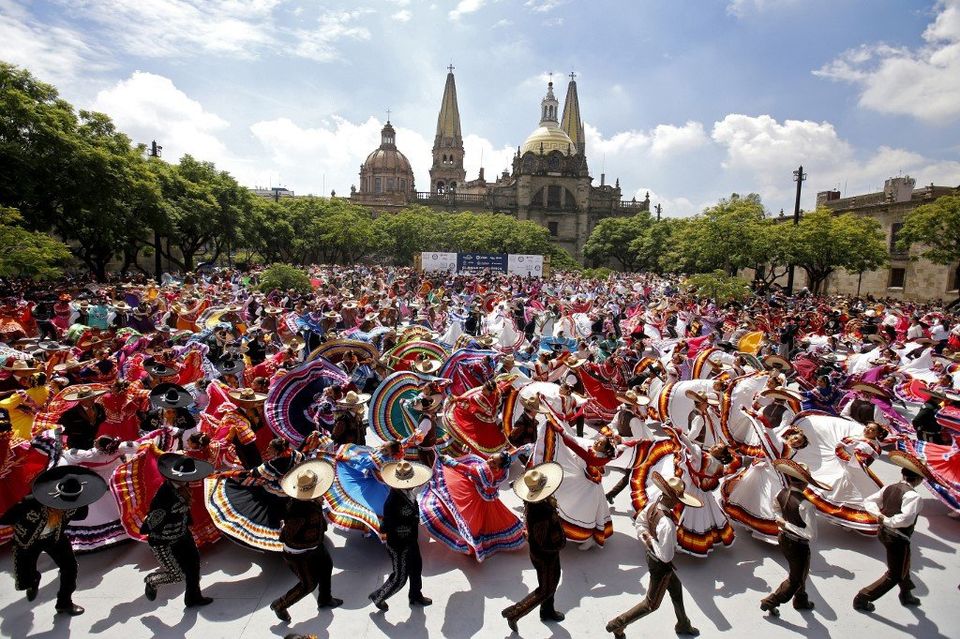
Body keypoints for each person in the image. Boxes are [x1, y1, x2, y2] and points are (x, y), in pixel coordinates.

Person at [606, 472, 702, 638]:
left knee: (676, 588)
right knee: (651, 604)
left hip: (651, 555)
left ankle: (683, 623)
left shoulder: (653, 504)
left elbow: (640, 523)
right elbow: (666, 556)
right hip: (661, 565)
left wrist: (649, 540)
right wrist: (654, 543)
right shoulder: (667, 524)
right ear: (673, 499)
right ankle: (618, 624)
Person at [0, 465, 107, 615]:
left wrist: (83, 501)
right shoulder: (31, 502)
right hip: (28, 540)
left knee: (70, 567)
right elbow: (7, 518)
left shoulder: (76, 504)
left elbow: (81, 516)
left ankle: (64, 603)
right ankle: (33, 580)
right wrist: (23, 523)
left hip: (55, 537)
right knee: (26, 575)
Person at [854, 451, 932, 612]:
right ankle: (863, 597)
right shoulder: (913, 497)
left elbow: (869, 501)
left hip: (883, 532)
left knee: (905, 561)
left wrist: (879, 516)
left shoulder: (890, 487)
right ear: (918, 479)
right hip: (897, 536)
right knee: (895, 573)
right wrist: (887, 520)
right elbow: (906, 520)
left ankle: (906, 592)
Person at [270, 459, 341, 623]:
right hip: (299, 554)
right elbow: (288, 537)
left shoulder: (310, 502)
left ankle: (325, 599)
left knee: (326, 565)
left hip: (315, 546)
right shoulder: (298, 511)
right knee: (308, 585)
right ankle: (280, 605)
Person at [142, 453, 215, 608]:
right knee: (176, 575)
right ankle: (152, 581)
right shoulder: (163, 496)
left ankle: (193, 597)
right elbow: (152, 521)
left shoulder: (183, 486)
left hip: (183, 535)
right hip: (163, 541)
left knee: (194, 565)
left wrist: (186, 524)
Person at [760, 459, 830, 616]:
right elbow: (811, 535)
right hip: (798, 545)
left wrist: (781, 521)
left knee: (800, 572)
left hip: (783, 539)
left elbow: (775, 509)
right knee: (796, 578)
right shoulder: (807, 505)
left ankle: (801, 599)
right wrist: (787, 524)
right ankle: (770, 601)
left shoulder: (781, 493)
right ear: (806, 484)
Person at [501, 462, 566, 632]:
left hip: (547, 554)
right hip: (545, 556)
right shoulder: (541, 511)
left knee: (551, 582)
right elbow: (540, 542)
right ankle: (514, 613)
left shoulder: (537, 504)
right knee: (546, 588)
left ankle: (547, 611)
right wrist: (560, 543)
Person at [368, 460, 433, 611]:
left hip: (411, 540)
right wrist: (413, 521)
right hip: (399, 545)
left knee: (416, 568)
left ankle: (415, 596)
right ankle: (378, 596)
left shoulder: (408, 493)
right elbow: (390, 527)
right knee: (400, 578)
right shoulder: (392, 502)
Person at [58, 385, 108, 450]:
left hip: (94, 443)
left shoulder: (99, 407)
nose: (92, 400)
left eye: (92, 397)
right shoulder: (70, 413)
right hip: (77, 445)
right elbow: (65, 429)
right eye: (88, 398)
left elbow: (103, 419)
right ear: (81, 400)